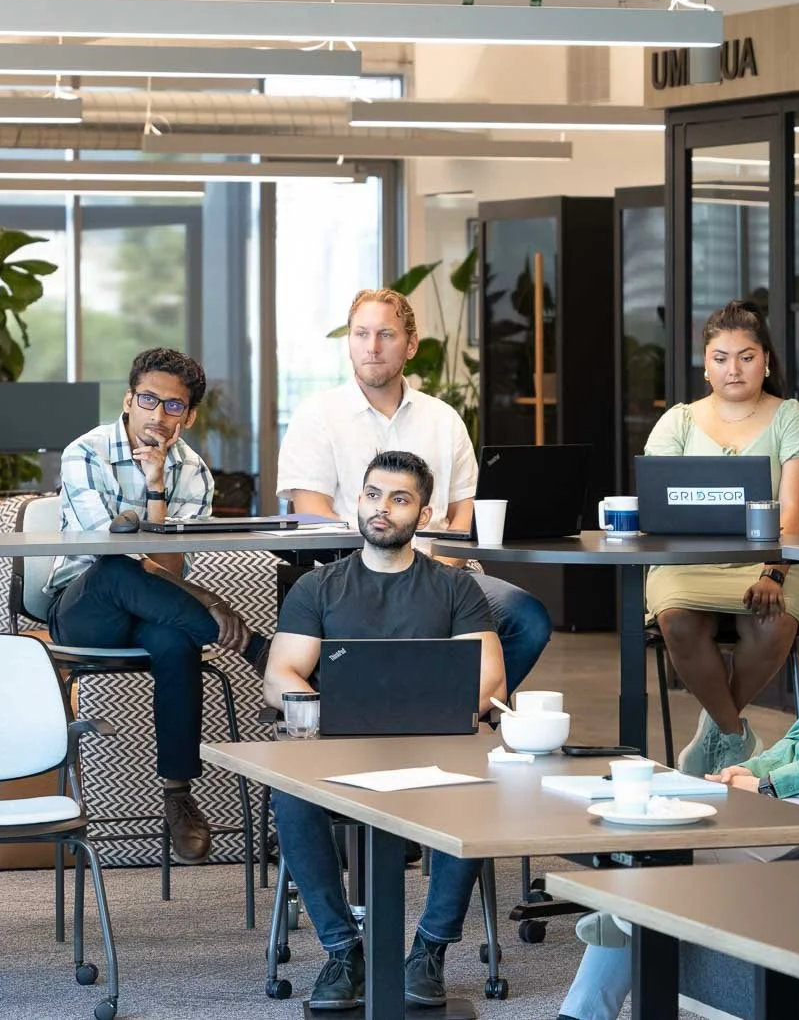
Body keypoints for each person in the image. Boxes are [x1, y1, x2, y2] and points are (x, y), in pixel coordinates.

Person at [557, 478, 799, 1020]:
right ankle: (602, 965)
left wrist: (770, 784)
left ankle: (618, 926)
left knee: (668, 853)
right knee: (664, 824)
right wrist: (749, 769)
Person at [263, 450, 505, 1011]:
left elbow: (490, 678)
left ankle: (429, 951)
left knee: (477, 790)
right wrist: (328, 711)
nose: (383, 508)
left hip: (438, 751)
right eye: (374, 494)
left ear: (423, 515)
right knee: (290, 798)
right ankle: (342, 950)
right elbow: (281, 676)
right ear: (358, 501)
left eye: (400, 499)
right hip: (337, 747)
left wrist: (429, 717)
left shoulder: (455, 588)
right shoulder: (318, 587)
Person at [46, 347, 267, 865]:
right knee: (118, 566)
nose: (158, 415)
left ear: (188, 416)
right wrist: (212, 602)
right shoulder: (86, 451)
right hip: (83, 606)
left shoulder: (193, 473)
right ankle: (256, 648)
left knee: (173, 642)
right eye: (148, 400)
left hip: (152, 609)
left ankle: (177, 794)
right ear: (128, 400)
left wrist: (157, 485)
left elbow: (167, 573)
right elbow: (113, 553)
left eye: (173, 407)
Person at [277, 287, 551, 694]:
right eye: (360, 334)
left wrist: (438, 573)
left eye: (386, 335)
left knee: (526, 619)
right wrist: (386, 563)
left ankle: (453, 710)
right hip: (357, 572)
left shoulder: (443, 418)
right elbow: (314, 513)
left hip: (445, 570)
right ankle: (404, 712)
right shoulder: (317, 416)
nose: (372, 347)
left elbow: (466, 508)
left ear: (410, 345)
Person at [644, 300, 799, 776]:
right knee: (679, 618)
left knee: (774, 621)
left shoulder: (791, 417)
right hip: (686, 563)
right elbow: (659, 506)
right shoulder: (678, 421)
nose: (734, 368)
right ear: (706, 365)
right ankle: (732, 732)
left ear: (766, 360)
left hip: (772, 559)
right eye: (721, 358)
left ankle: (717, 728)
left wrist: (772, 571)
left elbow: (793, 514)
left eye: (746, 356)